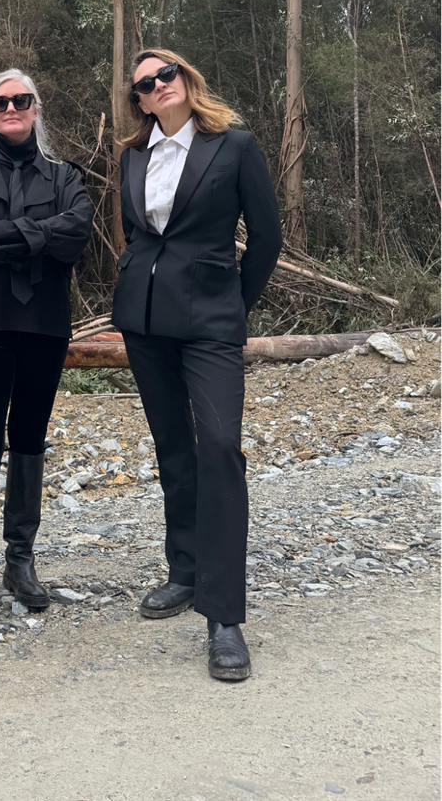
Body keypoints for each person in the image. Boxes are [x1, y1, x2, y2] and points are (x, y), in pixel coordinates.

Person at [114, 48, 281, 680]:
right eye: (143, 86)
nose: (156, 87)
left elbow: (266, 236)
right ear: (139, 100)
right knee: (173, 450)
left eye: (165, 75)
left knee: (217, 448)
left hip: (211, 322)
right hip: (145, 321)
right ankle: (183, 570)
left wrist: (234, 304)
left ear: (185, 80)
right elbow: (140, 237)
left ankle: (224, 614)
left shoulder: (233, 146)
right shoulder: (134, 155)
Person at [0, 70, 93, 637]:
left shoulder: (65, 175)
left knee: (29, 436)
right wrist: (37, 238)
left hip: (44, 322)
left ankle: (20, 564)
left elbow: (76, 235)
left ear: (35, 107)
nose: (11, 108)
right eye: (1, 101)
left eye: (21, 100)